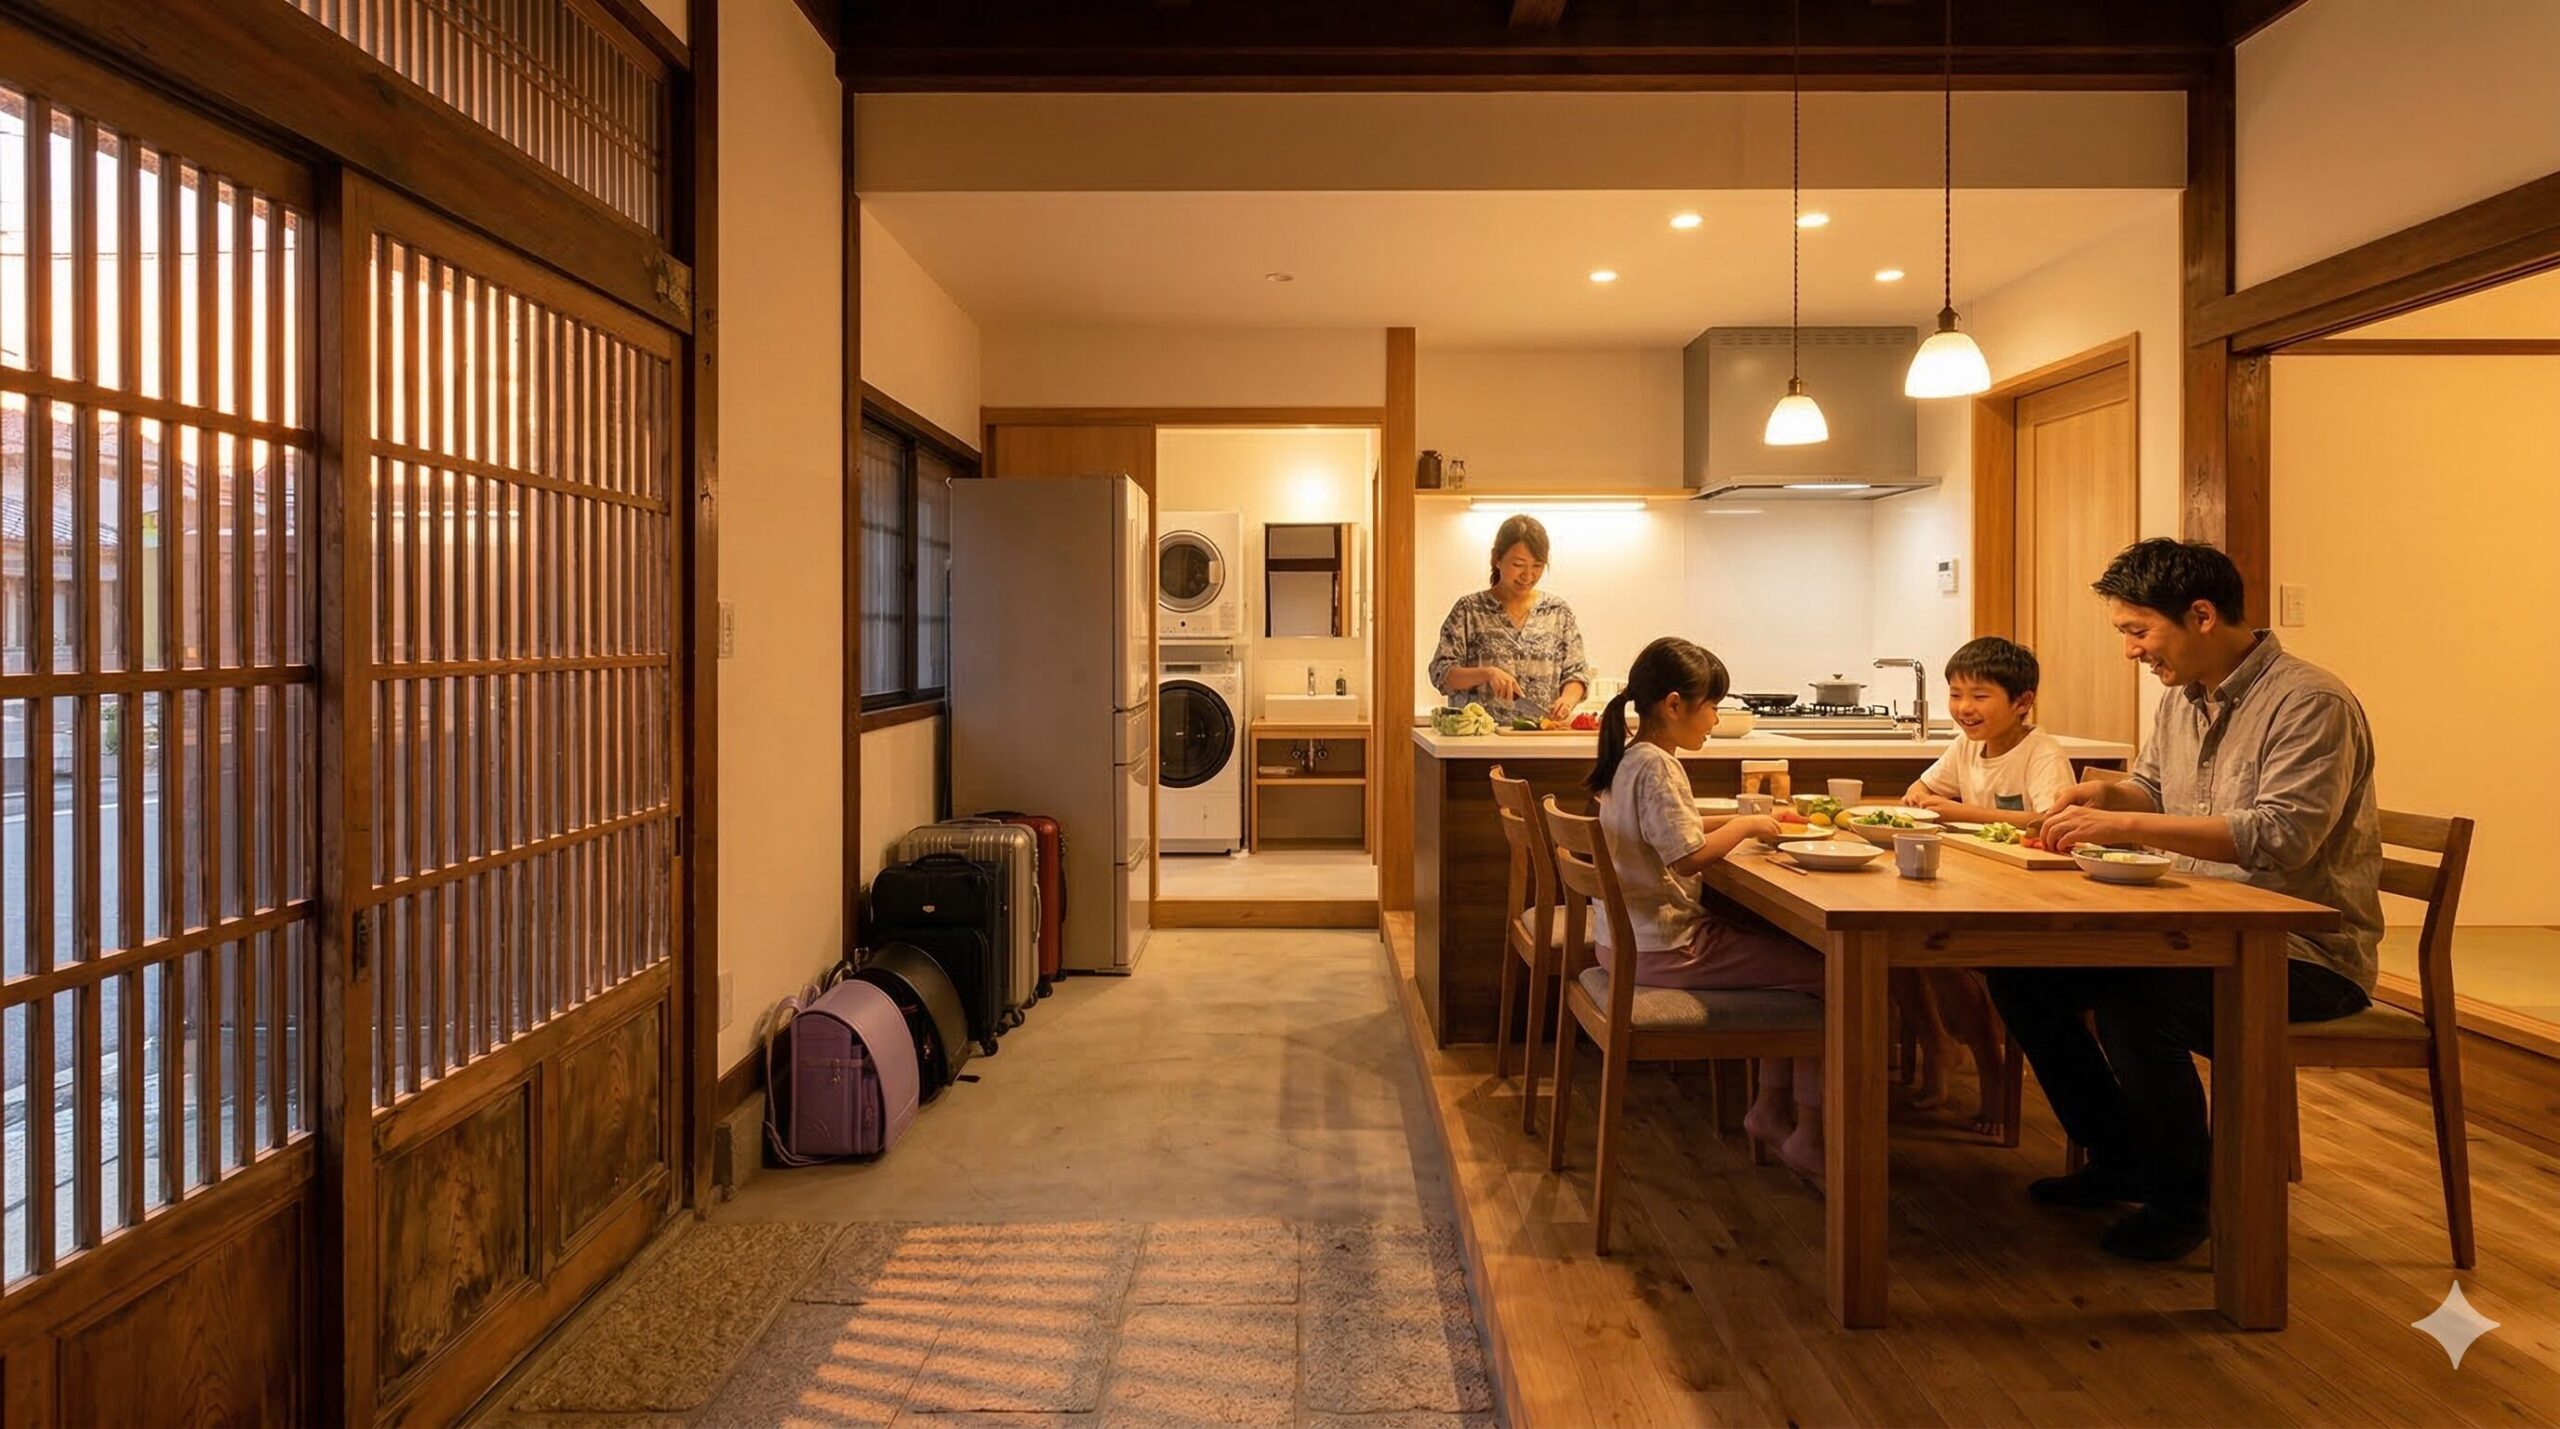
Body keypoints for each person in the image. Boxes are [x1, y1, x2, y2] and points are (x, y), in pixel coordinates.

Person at [1992, 538, 2382, 1261]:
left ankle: (2183, 1201)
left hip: (2302, 954)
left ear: (2201, 615)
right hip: (2190, 926)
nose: (2132, 651)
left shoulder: (2309, 702)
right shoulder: (2183, 699)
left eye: (2139, 631)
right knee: (2021, 972)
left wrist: (2122, 821)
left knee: (2139, 1004)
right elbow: (2159, 791)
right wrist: (2106, 791)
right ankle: (2123, 1157)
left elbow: (2284, 835)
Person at [1583, 637, 1825, 1180]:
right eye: (1712, 705)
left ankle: (1769, 1110)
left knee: (1791, 961)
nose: (1716, 719)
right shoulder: (1660, 768)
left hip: (1622, 941)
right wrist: (1744, 825)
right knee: (1829, 976)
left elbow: (1669, 835)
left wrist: (1754, 822)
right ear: (1674, 705)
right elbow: (1689, 859)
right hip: (1664, 948)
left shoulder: (1628, 757)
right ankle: (1804, 1134)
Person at [1894, 636, 2077, 1132]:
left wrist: (1958, 811)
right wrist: (1919, 794)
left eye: (1979, 696)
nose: (1963, 708)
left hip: (2028, 896)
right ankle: (1938, 1047)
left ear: (2022, 702)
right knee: (1899, 944)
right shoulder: (1966, 746)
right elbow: (1927, 788)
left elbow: (2046, 821)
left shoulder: (2041, 753)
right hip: (1975, 879)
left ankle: (1991, 1070)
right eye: (1955, 694)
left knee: (1939, 950)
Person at [1428, 514, 1591, 725]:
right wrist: (1487, 673)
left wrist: (1567, 700)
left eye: (1537, 566)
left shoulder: (1557, 612)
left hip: (1542, 738)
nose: (1528, 575)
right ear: (1496, 558)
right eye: (1518, 564)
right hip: (1478, 742)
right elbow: (1442, 673)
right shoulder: (1469, 610)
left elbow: (1576, 672)